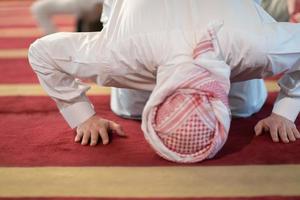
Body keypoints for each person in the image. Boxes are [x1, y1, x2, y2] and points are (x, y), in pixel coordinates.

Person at [28, 0, 300, 163]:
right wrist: (82, 118)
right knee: (129, 108)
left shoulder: (251, 49)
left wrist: (286, 113)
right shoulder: (122, 56)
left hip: (229, 30)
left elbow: (42, 52)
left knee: (245, 106)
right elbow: (41, 52)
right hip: (139, 32)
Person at [31, 0, 103, 35]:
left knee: (40, 8)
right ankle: (54, 40)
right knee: (40, 8)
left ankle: (54, 41)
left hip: (94, 3)